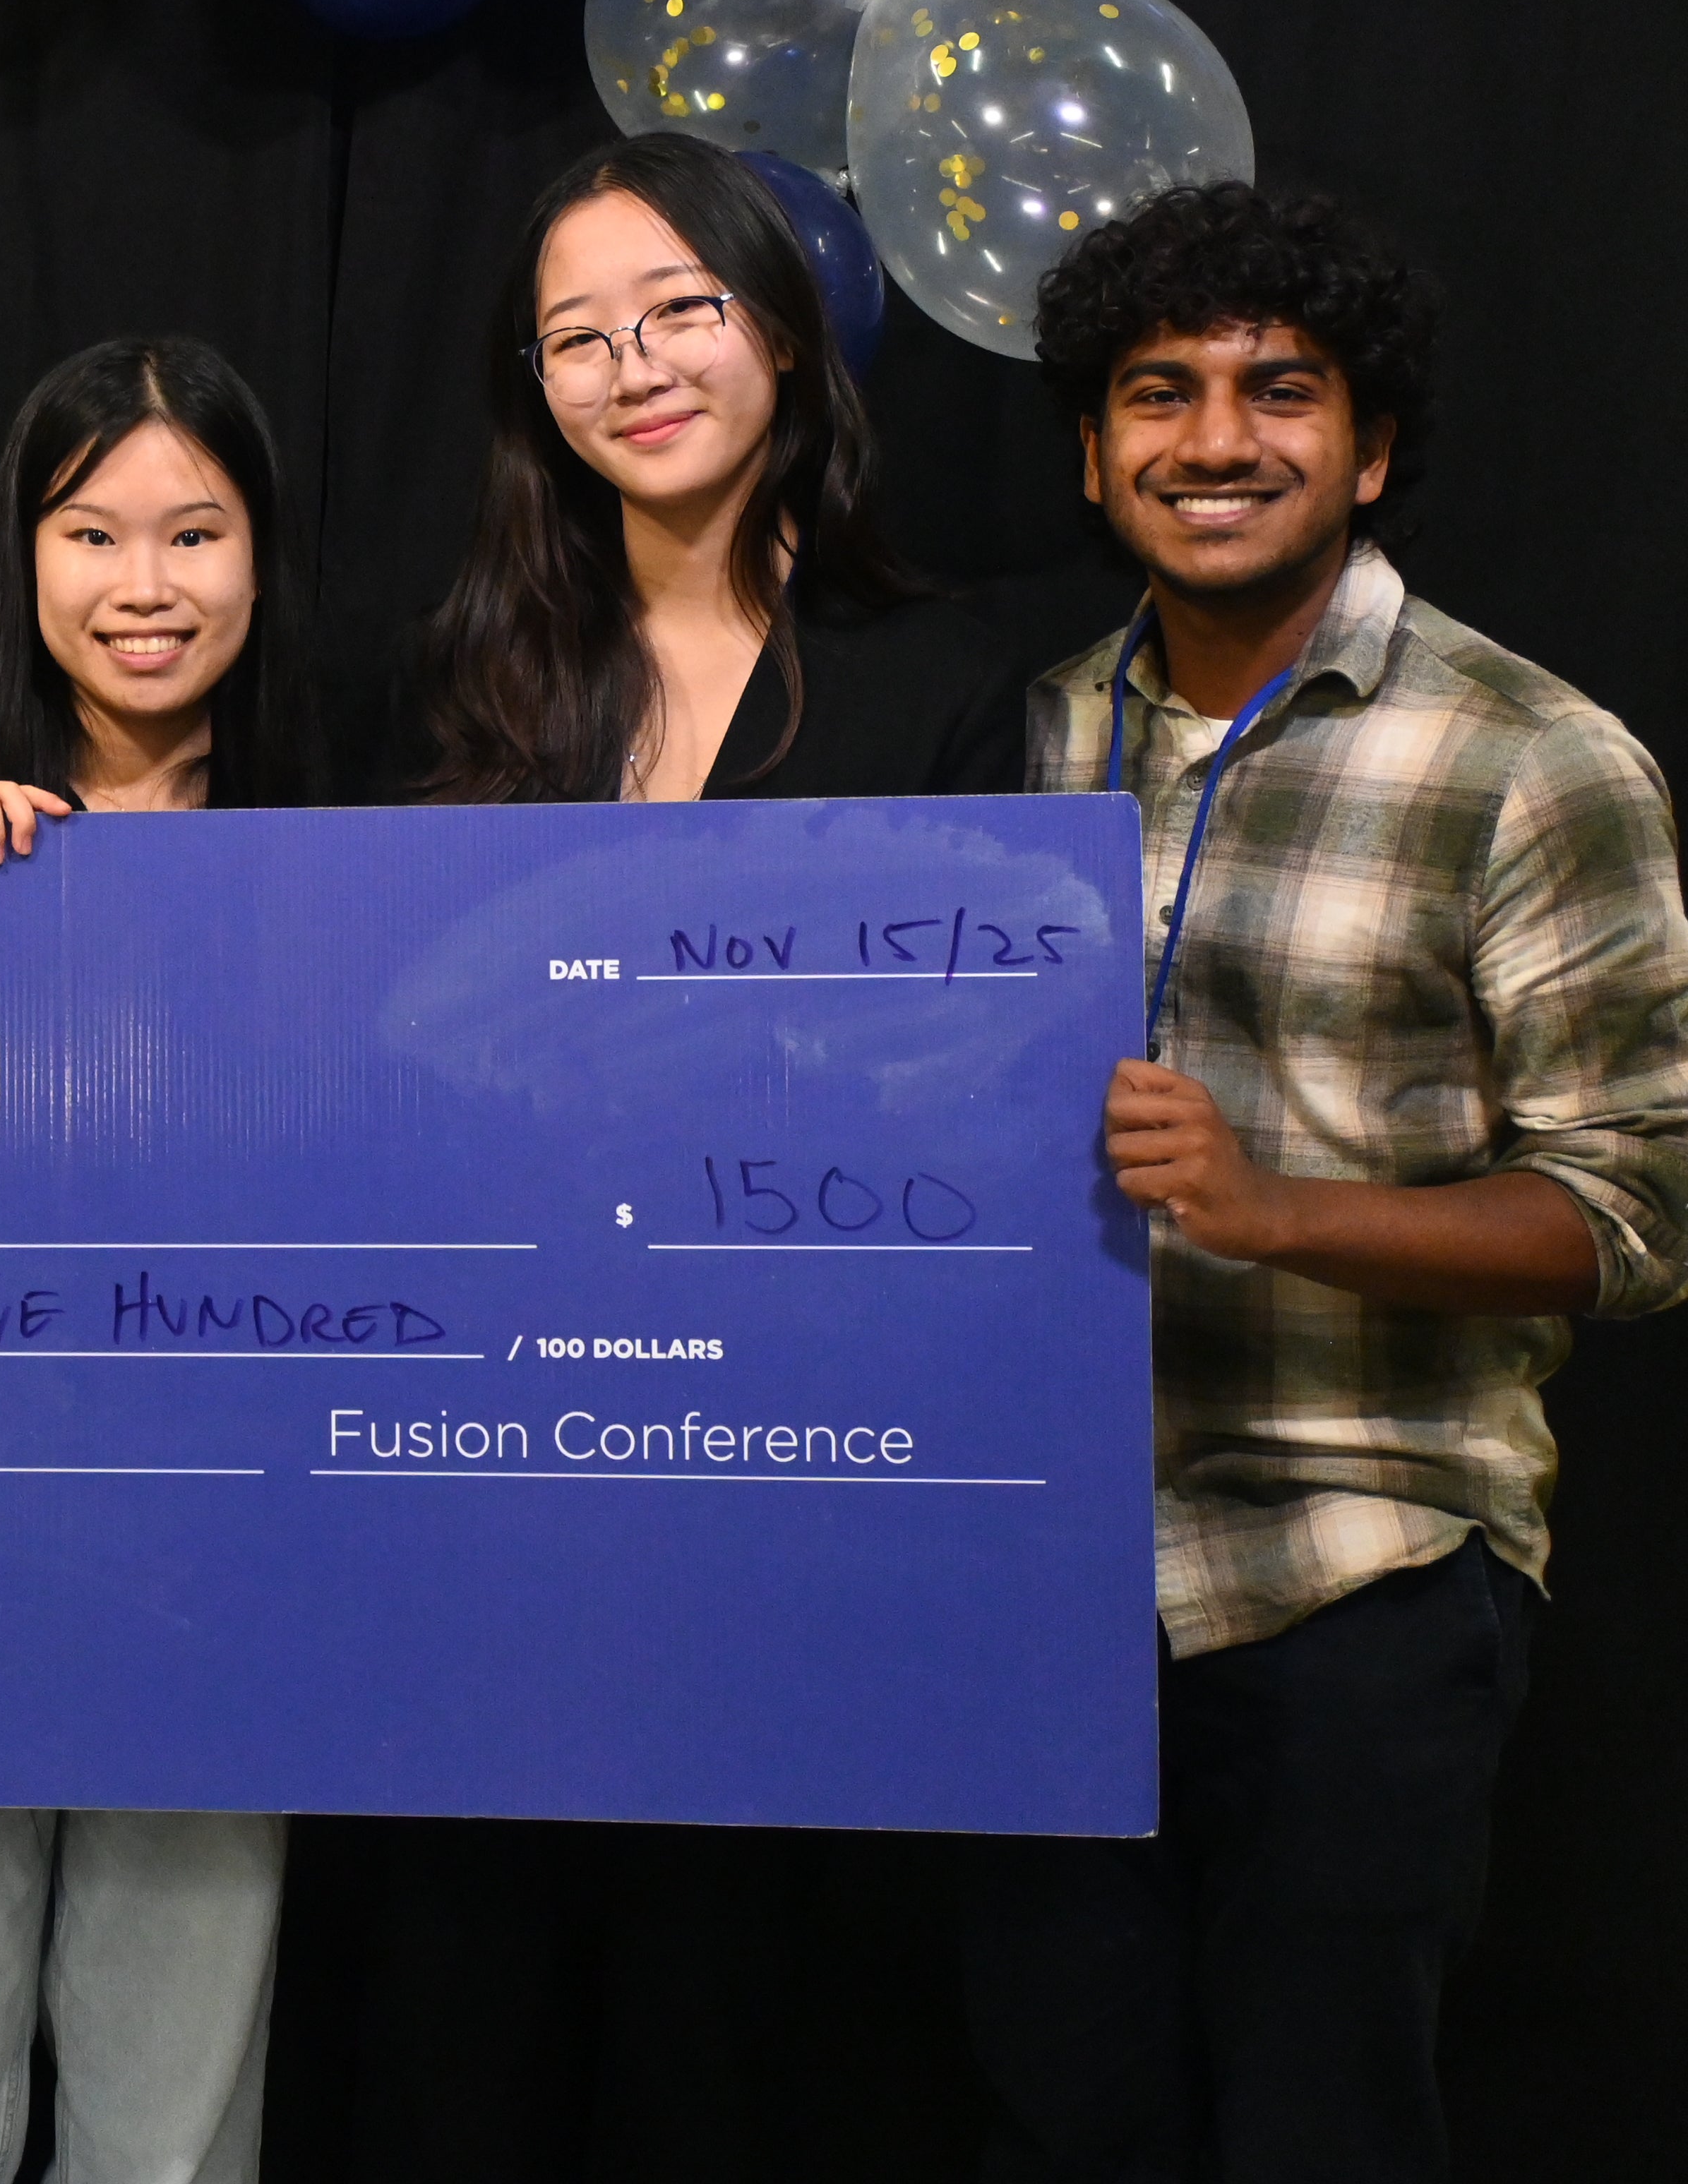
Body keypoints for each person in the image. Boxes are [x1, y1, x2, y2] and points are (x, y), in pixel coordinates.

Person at [962, 180, 1688, 2181]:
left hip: (1354, 1567)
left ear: (1370, 447)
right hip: (1036, 1585)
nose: (1215, 440)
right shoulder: (1026, 733)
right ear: (1092, 454)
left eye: (1279, 390)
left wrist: (1275, 1205)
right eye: (1160, 393)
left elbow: (1649, 1212)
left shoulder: (1531, 757)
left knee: (1321, 2133)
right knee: (1067, 2124)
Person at [333, 129, 1026, 2180]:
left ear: (786, 338)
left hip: (793, 1502)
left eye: (680, 311)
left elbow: (968, 1086)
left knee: (728, 2051)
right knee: (461, 2042)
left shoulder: (944, 679)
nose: (630, 367)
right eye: (575, 336)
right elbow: (354, 1053)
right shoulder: (453, 676)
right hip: (484, 1495)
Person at [0, 335, 315, 2184]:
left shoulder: (356, 853)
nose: (145, 585)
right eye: (93, 532)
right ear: (21, 557)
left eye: (196, 531)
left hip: (228, 1564)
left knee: (173, 2126)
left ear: (261, 556)